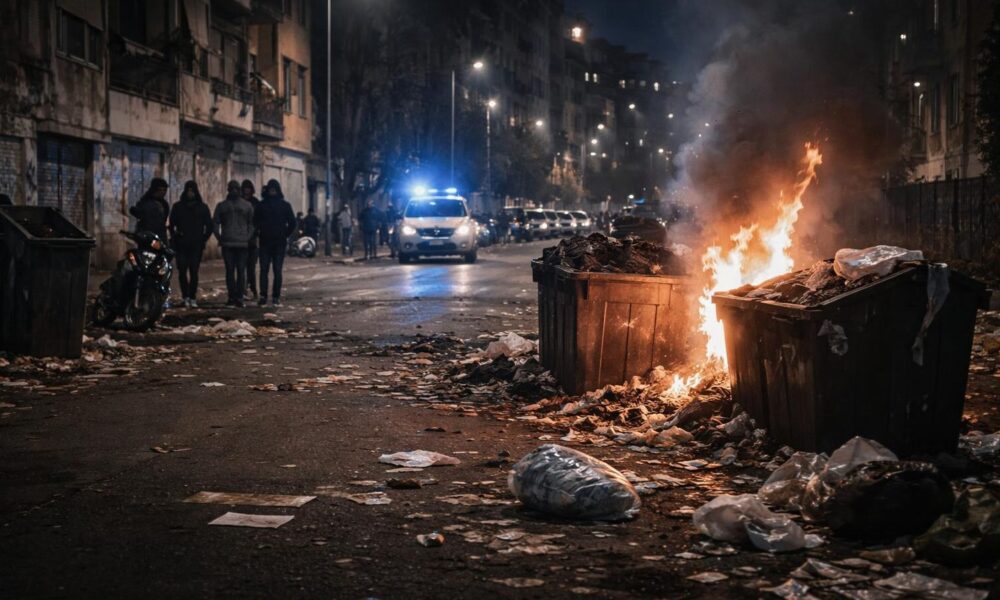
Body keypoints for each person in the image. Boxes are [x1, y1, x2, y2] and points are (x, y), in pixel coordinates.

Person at [169, 181, 212, 308]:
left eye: (192, 191)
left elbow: (208, 226)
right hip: (181, 245)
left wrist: (203, 239)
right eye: (188, 190)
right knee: (182, 271)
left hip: (196, 245)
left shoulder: (202, 208)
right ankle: (185, 296)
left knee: (194, 272)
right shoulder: (178, 207)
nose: (190, 193)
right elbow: (172, 224)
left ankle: (192, 297)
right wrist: (175, 237)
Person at [213, 180, 255, 307]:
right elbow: (215, 223)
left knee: (235, 271)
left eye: (236, 188)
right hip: (235, 243)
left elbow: (251, 224)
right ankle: (236, 298)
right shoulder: (245, 205)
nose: (234, 191)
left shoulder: (223, 206)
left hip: (234, 243)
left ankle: (235, 298)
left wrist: (220, 237)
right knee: (236, 271)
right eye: (233, 188)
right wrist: (219, 236)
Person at [255, 179, 297, 306]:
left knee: (275, 270)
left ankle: (274, 296)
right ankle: (265, 296)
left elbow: (292, 223)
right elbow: (255, 221)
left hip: (276, 242)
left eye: (274, 188)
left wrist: (284, 234)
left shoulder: (282, 205)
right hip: (268, 242)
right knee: (265, 270)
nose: (272, 190)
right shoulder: (265, 205)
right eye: (271, 188)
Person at [241, 180, 261, 300]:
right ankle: (244, 290)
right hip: (241, 239)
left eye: (249, 188)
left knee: (251, 268)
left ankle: (252, 289)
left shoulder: (255, 203)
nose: (247, 190)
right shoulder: (240, 203)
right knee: (242, 267)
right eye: (245, 188)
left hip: (252, 240)